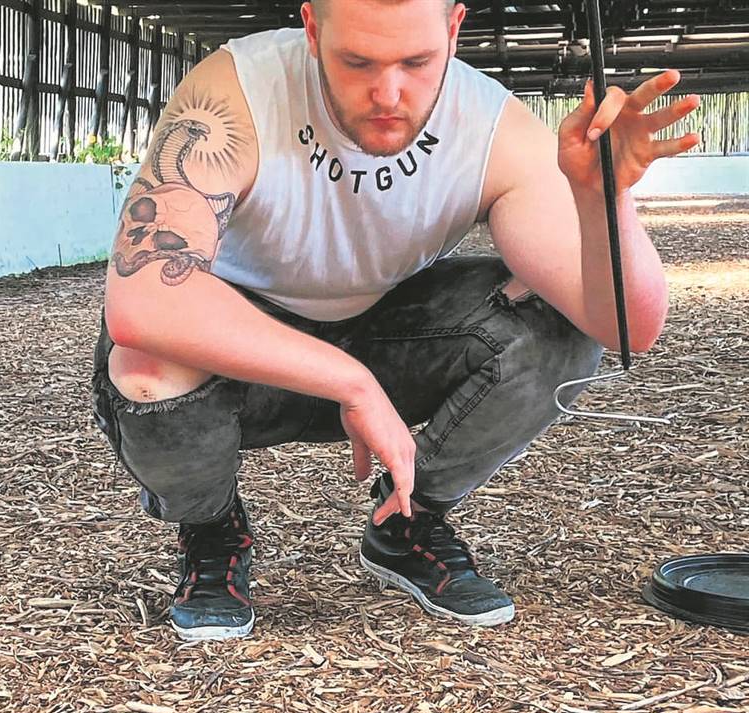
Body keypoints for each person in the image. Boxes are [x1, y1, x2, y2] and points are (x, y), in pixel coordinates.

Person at [92, 0, 699, 641]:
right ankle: (212, 531)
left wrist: (605, 199)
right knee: (145, 366)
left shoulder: (494, 128)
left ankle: (408, 519)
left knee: (558, 329)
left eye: (417, 62)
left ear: (454, 30)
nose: (388, 93)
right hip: (240, 347)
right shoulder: (236, 91)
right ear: (313, 29)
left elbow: (624, 329)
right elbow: (143, 300)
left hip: (391, 334)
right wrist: (351, 383)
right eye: (357, 62)